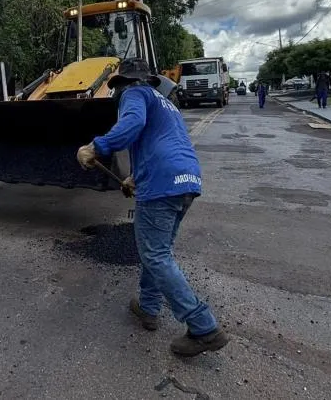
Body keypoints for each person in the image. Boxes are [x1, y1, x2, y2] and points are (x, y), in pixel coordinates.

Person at [76, 59, 229, 358]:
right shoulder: (165, 103)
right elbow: (160, 143)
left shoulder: (135, 93)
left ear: (124, 83)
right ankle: (148, 307)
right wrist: (134, 178)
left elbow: (132, 124)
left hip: (163, 182)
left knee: (155, 255)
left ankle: (204, 327)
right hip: (186, 179)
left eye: (117, 88)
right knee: (157, 252)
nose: (117, 94)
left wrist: (95, 147)